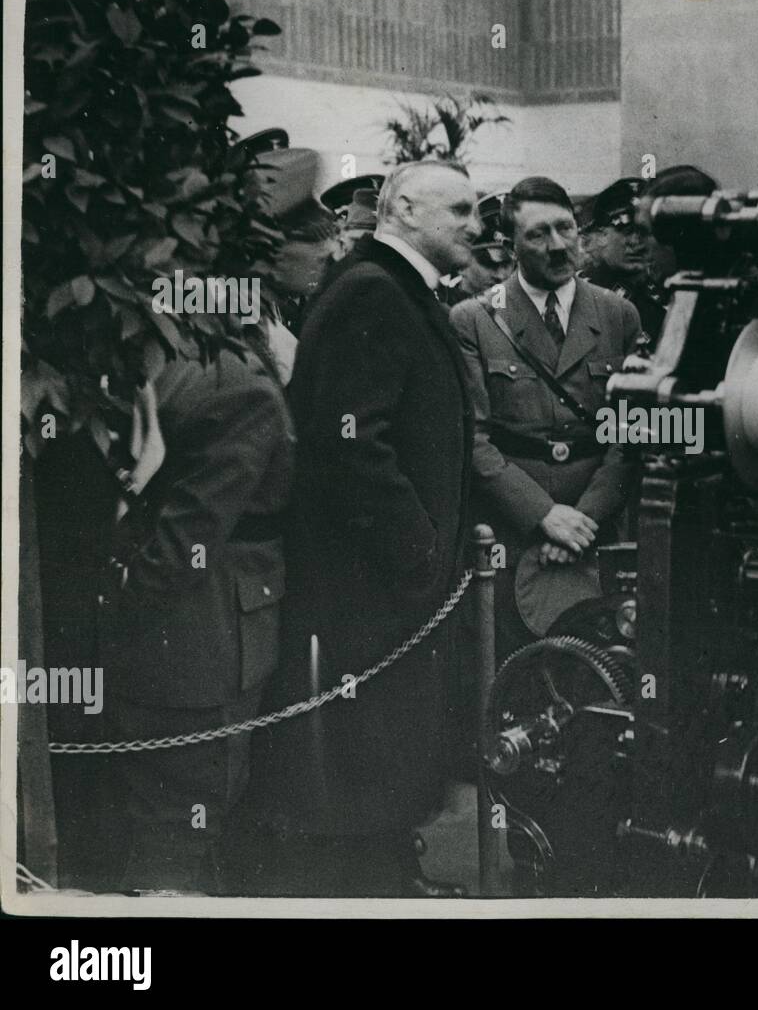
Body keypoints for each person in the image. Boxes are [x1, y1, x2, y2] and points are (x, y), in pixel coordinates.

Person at [244, 159, 481, 896]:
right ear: (405, 207)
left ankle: (387, 875)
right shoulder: (375, 290)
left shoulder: (389, 286)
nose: (477, 225)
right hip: (366, 584)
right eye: (462, 211)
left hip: (383, 583)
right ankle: (369, 889)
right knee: (363, 748)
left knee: (387, 743)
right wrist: (418, 549)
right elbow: (350, 445)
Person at [97, 335, 295, 894]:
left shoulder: (184, 370)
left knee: (174, 819)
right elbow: (187, 539)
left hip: (183, 635)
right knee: (182, 821)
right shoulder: (239, 386)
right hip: (200, 641)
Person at [450, 177, 641, 658]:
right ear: (510, 244)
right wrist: (543, 516)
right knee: (511, 672)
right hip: (511, 538)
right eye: (538, 234)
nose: (557, 246)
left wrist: (584, 520)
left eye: (565, 229)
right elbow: (473, 438)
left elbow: (631, 434)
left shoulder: (618, 315)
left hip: (598, 533)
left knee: (605, 670)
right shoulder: (474, 319)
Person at [579, 176, 665, 342]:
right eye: (626, 231)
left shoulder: (661, 294)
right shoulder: (579, 293)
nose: (636, 243)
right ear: (600, 235)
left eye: (643, 232)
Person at [440, 191, 514, 305]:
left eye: (506, 264)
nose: (500, 276)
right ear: (461, 265)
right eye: (489, 264)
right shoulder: (442, 308)